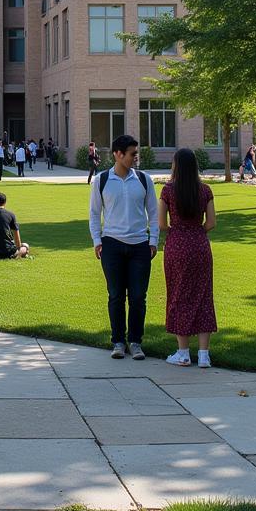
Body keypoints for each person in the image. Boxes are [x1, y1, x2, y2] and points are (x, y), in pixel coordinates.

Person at [89, 134, 159, 360]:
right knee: (116, 296)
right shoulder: (101, 180)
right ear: (118, 155)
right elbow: (94, 214)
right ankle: (118, 341)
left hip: (140, 244)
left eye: (136, 154)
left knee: (138, 297)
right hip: (112, 244)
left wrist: (153, 240)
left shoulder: (144, 179)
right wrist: (97, 240)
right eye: (132, 154)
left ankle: (136, 342)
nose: (136, 158)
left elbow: (154, 213)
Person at [159, 148, 217, 368]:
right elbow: (211, 223)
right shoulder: (204, 190)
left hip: (176, 246)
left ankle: (183, 352)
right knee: (203, 296)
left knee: (178, 294)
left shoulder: (168, 190)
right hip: (200, 246)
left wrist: (180, 230)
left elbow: (162, 224)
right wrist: (196, 231)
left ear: (176, 165)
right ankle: (204, 355)